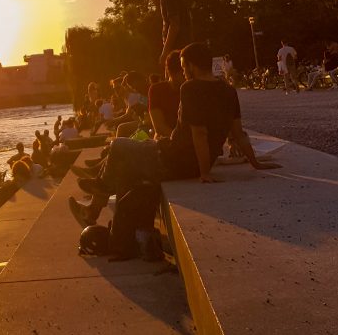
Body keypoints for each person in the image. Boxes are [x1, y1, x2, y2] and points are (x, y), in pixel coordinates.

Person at [69, 42, 280, 229]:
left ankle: (103, 186)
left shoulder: (190, 88)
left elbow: (199, 132)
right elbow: (239, 133)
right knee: (125, 167)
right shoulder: (228, 90)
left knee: (118, 145)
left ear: (191, 65)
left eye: (183, 66)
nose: (183, 71)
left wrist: (204, 172)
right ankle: (95, 213)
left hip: (172, 158)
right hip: (187, 159)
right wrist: (255, 163)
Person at [134, 0, 192, 65]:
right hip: (181, 45)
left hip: (177, 47)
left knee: (176, 78)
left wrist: (165, 52)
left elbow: (174, 25)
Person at [148, 50, 184, 138]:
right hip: (166, 140)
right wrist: (179, 140)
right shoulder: (157, 90)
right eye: (183, 72)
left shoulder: (192, 89)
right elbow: (159, 127)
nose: (186, 75)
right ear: (171, 73)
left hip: (188, 141)